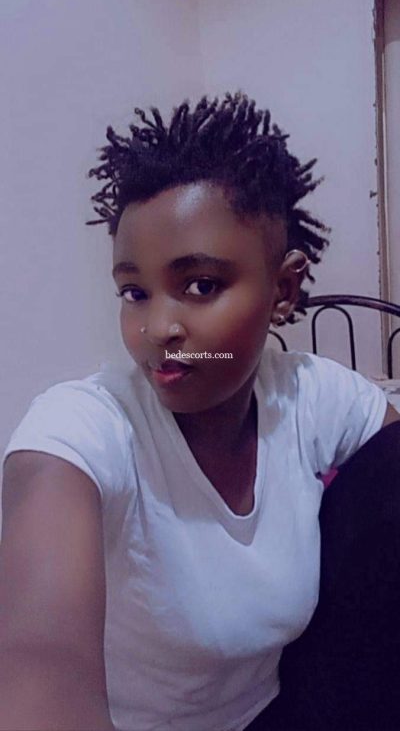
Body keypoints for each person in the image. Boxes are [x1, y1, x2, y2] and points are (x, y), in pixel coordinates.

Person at [0, 92, 399, 731]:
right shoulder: (82, 428)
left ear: (284, 289)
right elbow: (39, 664)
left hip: (283, 707)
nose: (158, 328)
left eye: (201, 285)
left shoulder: (309, 396)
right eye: (135, 291)